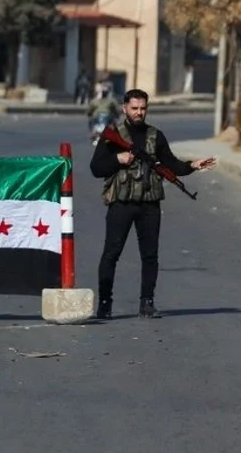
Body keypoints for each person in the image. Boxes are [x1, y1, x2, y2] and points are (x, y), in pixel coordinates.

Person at [89, 88, 215, 319]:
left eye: (143, 108)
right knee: (111, 254)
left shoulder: (155, 136)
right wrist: (118, 159)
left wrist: (192, 166)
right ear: (125, 108)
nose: (139, 113)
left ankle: (147, 303)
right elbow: (96, 168)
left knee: (150, 255)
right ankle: (105, 304)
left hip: (149, 204)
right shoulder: (112, 134)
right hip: (122, 202)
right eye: (134, 108)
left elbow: (171, 165)